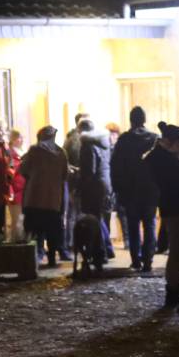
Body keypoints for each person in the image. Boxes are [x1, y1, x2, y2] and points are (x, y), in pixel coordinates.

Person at [145, 121, 179, 307]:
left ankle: (176, 285)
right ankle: (174, 288)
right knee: (178, 248)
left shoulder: (159, 156)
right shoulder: (163, 160)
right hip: (173, 207)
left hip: (172, 207)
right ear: (170, 142)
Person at [111, 106, 160, 272]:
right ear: (144, 119)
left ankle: (136, 259)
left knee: (133, 226)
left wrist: (117, 188)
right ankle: (148, 260)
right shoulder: (154, 138)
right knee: (150, 225)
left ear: (131, 120)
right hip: (150, 190)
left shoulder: (124, 140)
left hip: (129, 189)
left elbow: (115, 165)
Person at [17, 125, 69, 267]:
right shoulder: (61, 153)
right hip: (53, 200)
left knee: (34, 230)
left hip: (34, 198)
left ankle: (35, 257)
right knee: (52, 231)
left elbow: (23, 169)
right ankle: (51, 258)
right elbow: (65, 175)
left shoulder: (34, 151)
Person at [75, 118, 117, 259]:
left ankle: (100, 252)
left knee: (95, 219)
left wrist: (80, 186)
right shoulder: (103, 143)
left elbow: (89, 171)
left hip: (93, 188)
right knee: (100, 218)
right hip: (105, 185)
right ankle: (107, 249)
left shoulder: (88, 146)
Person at [61, 112, 88, 260]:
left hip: (75, 182)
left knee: (74, 215)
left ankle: (72, 243)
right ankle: (72, 243)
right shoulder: (75, 140)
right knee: (74, 215)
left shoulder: (71, 139)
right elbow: (66, 161)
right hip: (77, 182)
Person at [6, 129, 26, 242]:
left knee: (22, 219)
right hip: (15, 190)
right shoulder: (9, 154)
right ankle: (16, 241)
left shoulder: (22, 152)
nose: (21, 140)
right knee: (17, 219)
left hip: (24, 190)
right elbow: (10, 173)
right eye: (19, 137)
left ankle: (20, 240)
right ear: (13, 140)